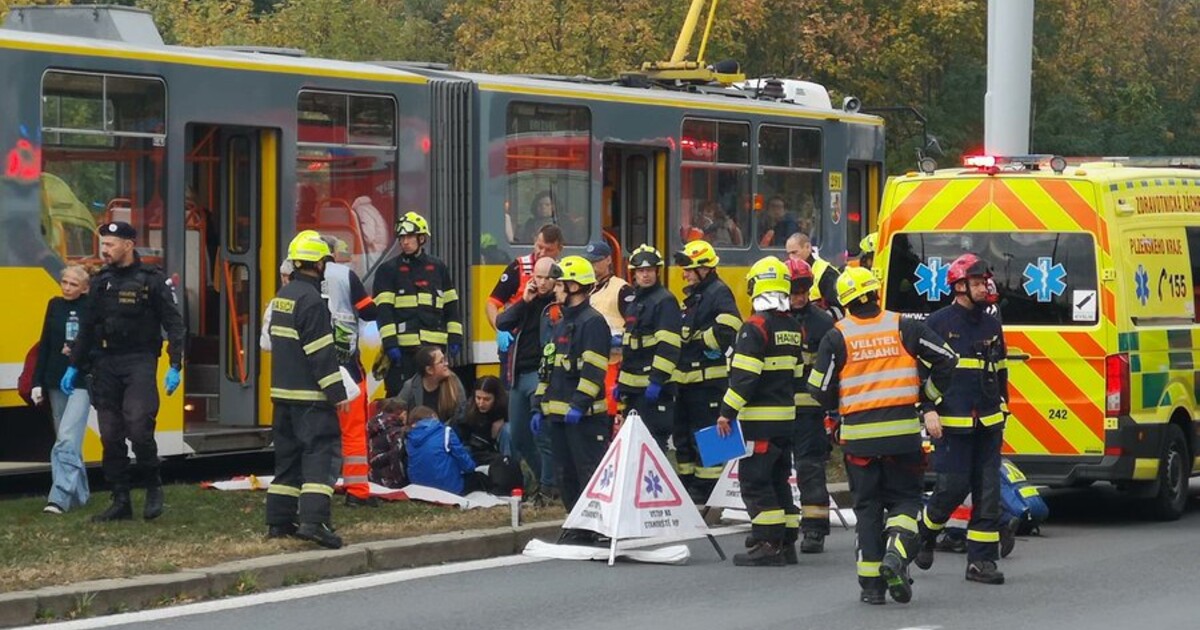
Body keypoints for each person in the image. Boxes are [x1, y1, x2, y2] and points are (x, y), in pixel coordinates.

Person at [807, 266, 957, 605]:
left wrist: (840, 405)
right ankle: (897, 553)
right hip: (903, 437)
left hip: (859, 439)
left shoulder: (837, 336)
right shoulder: (905, 326)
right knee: (905, 501)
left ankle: (872, 588)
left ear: (844, 303)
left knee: (868, 510)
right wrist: (927, 395)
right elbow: (949, 358)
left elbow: (817, 388)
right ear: (876, 293)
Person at [64, 221, 184, 523]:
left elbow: (175, 324)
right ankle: (120, 500)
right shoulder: (101, 280)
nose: (104, 250)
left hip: (139, 361)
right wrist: (73, 366)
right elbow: (88, 328)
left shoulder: (152, 280)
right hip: (105, 363)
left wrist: (175, 364)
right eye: (103, 245)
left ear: (128, 245)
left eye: (110, 245)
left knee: (139, 427)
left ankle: (154, 486)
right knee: (110, 435)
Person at [914, 254, 1009, 585]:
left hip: (988, 422)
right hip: (951, 422)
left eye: (984, 281)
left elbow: (1000, 369)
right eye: (978, 282)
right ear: (959, 286)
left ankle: (981, 562)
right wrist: (927, 409)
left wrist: (1004, 406)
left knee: (988, 492)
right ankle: (925, 532)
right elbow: (921, 372)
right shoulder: (938, 323)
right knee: (952, 488)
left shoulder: (992, 323)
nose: (985, 287)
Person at [264, 231, 349, 549]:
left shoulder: (283, 296)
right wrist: (337, 393)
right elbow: (321, 354)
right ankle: (313, 523)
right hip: (311, 399)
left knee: (287, 460)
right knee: (320, 457)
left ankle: (279, 521)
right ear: (319, 264)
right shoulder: (312, 301)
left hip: (282, 395)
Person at [718, 256, 805, 566]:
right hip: (785, 420)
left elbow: (744, 378)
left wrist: (726, 412)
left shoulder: (754, 327)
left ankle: (768, 542)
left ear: (755, 287)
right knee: (780, 479)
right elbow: (797, 376)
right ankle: (787, 542)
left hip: (759, 423)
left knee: (756, 482)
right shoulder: (793, 326)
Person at [531, 256, 611, 531]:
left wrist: (578, 405)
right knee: (565, 475)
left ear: (575, 286)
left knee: (588, 473)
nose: (555, 288)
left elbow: (594, 371)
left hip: (584, 419)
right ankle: (578, 526)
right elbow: (548, 368)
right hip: (558, 418)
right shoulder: (562, 323)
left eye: (560, 283)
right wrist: (537, 405)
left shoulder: (593, 323)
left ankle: (596, 528)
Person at [672, 240, 742, 501]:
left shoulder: (718, 292)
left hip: (708, 381)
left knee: (710, 437)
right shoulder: (696, 295)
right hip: (688, 381)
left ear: (705, 268)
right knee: (684, 437)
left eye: (690, 268)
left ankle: (710, 490)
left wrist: (701, 340)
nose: (685, 273)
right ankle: (689, 484)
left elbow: (731, 326)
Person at [373, 211, 463, 394]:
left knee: (436, 399)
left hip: (433, 352)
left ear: (422, 238)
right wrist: (390, 344)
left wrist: (455, 338)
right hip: (403, 352)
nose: (404, 242)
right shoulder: (388, 270)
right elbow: (384, 312)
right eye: (401, 237)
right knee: (400, 401)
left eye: (409, 236)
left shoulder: (438, 267)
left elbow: (451, 307)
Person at [320, 234, 380, 508]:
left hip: (312, 368)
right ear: (332, 252)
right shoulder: (346, 276)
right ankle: (356, 491)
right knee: (353, 430)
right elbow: (368, 313)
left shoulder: (293, 275)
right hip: (346, 368)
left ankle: (316, 489)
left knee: (315, 433)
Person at [495, 255, 559, 501]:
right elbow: (502, 322)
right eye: (538, 277)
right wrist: (523, 301)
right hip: (517, 375)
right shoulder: (529, 300)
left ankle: (547, 486)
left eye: (547, 278)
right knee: (520, 436)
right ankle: (546, 480)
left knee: (542, 434)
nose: (542, 283)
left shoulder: (556, 306)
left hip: (539, 373)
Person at [33, 265, 92, 514]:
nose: (66, 288)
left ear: (85, 288)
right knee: (67, 441)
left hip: (81, 381)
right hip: (55, 379)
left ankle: (58, 498)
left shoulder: (92, 308)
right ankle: (80, 496)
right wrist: (37, 381)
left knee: (67, 438)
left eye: (73, 284)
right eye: (64, 282)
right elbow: (45, 343)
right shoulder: (54, 305)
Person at [786, 257, 836, 553]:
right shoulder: (772, 318)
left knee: (810, 468)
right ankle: (781, 526)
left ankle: (815, 529)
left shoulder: (822, 322)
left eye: (804, 289)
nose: (799, 296)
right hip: (778, 410)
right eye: (794, 290)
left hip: (809, 412)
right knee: (774, 469)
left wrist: (831, 409)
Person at [615, 245, 681, 451]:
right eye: (641, 271)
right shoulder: (636, 300)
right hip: (633, 388)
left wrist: (657, 380)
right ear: (634, 274)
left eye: (650, 270)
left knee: (653, 444)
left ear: (657, 272)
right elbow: (631, 347)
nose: (646, 275)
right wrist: (621, 383)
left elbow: (668, 346)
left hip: (654, 389)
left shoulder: (665, 301)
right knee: (633, 445)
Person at [583, 239, 633, 418]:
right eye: (589, 261)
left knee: (611, 411)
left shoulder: (621, 289)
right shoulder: (585, 289)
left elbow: (634, 325)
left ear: (608, 260)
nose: (592, 265)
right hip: (592, 361)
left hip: (614, 362)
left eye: (596, 261)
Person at [487, 223, 564, 332]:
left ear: (559, 249)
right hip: (516, 337)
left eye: (548, 250)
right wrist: (500, 332)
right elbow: (492, 303)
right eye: (540, 247)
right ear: (535, 242)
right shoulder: (519, 267)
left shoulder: (563, 272)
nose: (542, 253)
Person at [405, 406, 483, 495]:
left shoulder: (409, 437)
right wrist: (471, 468)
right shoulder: (446, 431)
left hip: (419, 489)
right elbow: (463, 459)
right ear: (434, 416)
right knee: (478, 478)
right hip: (448, 488)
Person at [397, 345, 468, 429]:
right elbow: (397, 412)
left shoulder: (454, 382)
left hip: (445, 434)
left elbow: (461, 413)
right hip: (418, 434)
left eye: (445, 359)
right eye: (441, 361)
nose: (447, 363)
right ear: (429, 370)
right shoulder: (410, 387)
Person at [787, 232, 841, 317]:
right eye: (789, 253)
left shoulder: (826, 272)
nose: (791, 257)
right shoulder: (788, 271)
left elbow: (838, 309)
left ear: (808, 247)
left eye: (794, 252)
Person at [461, 376, 513, 463]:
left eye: (486, 399)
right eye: (478, 398)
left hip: (498, 447)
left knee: (508, 430)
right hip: (475, 450)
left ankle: (508, 465)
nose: (481, 403)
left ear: (496, 398)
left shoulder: (507, 406)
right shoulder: (467, 409)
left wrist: (504, 419)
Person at [368, 397, 409, 489]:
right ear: (402, 414)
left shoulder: (374, 426)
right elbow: (396, 456)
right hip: (389, 480)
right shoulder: (396, 432)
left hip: (373, 477)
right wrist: (400, 481)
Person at [259, 260, 294, 351]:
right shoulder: (312, 297)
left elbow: (266, 343)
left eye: (286, 276)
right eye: (283, 276)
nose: (284, 280)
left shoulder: (276, 302)